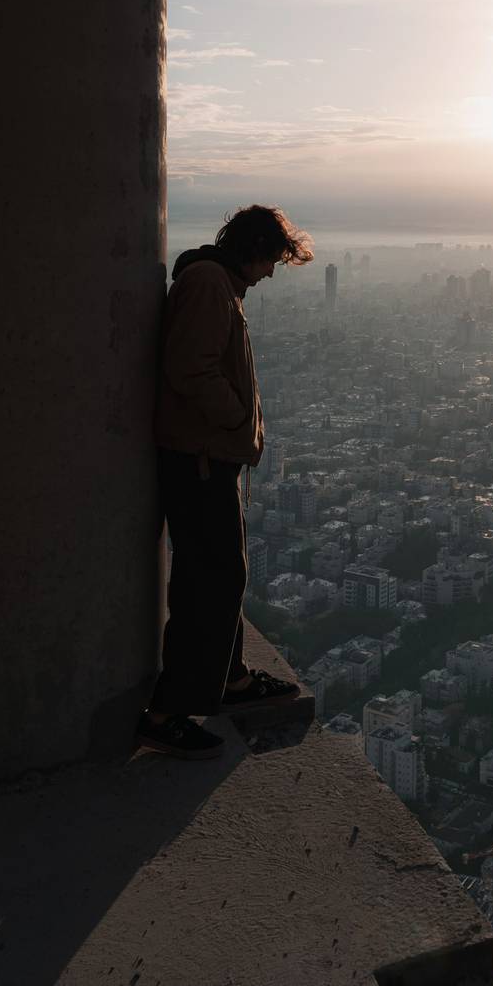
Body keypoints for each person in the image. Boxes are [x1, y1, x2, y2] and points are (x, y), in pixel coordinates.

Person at [137, 205, 313, 758]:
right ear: (253, 248)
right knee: (208, 582)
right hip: (200, 458)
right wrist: (237, 419)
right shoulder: (210, 285)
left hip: (207, 455)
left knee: (220, 575)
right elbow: (190, 369)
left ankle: (231, 680)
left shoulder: (217, 283)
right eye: (272, 260)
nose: (271, 272)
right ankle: (167, 713)